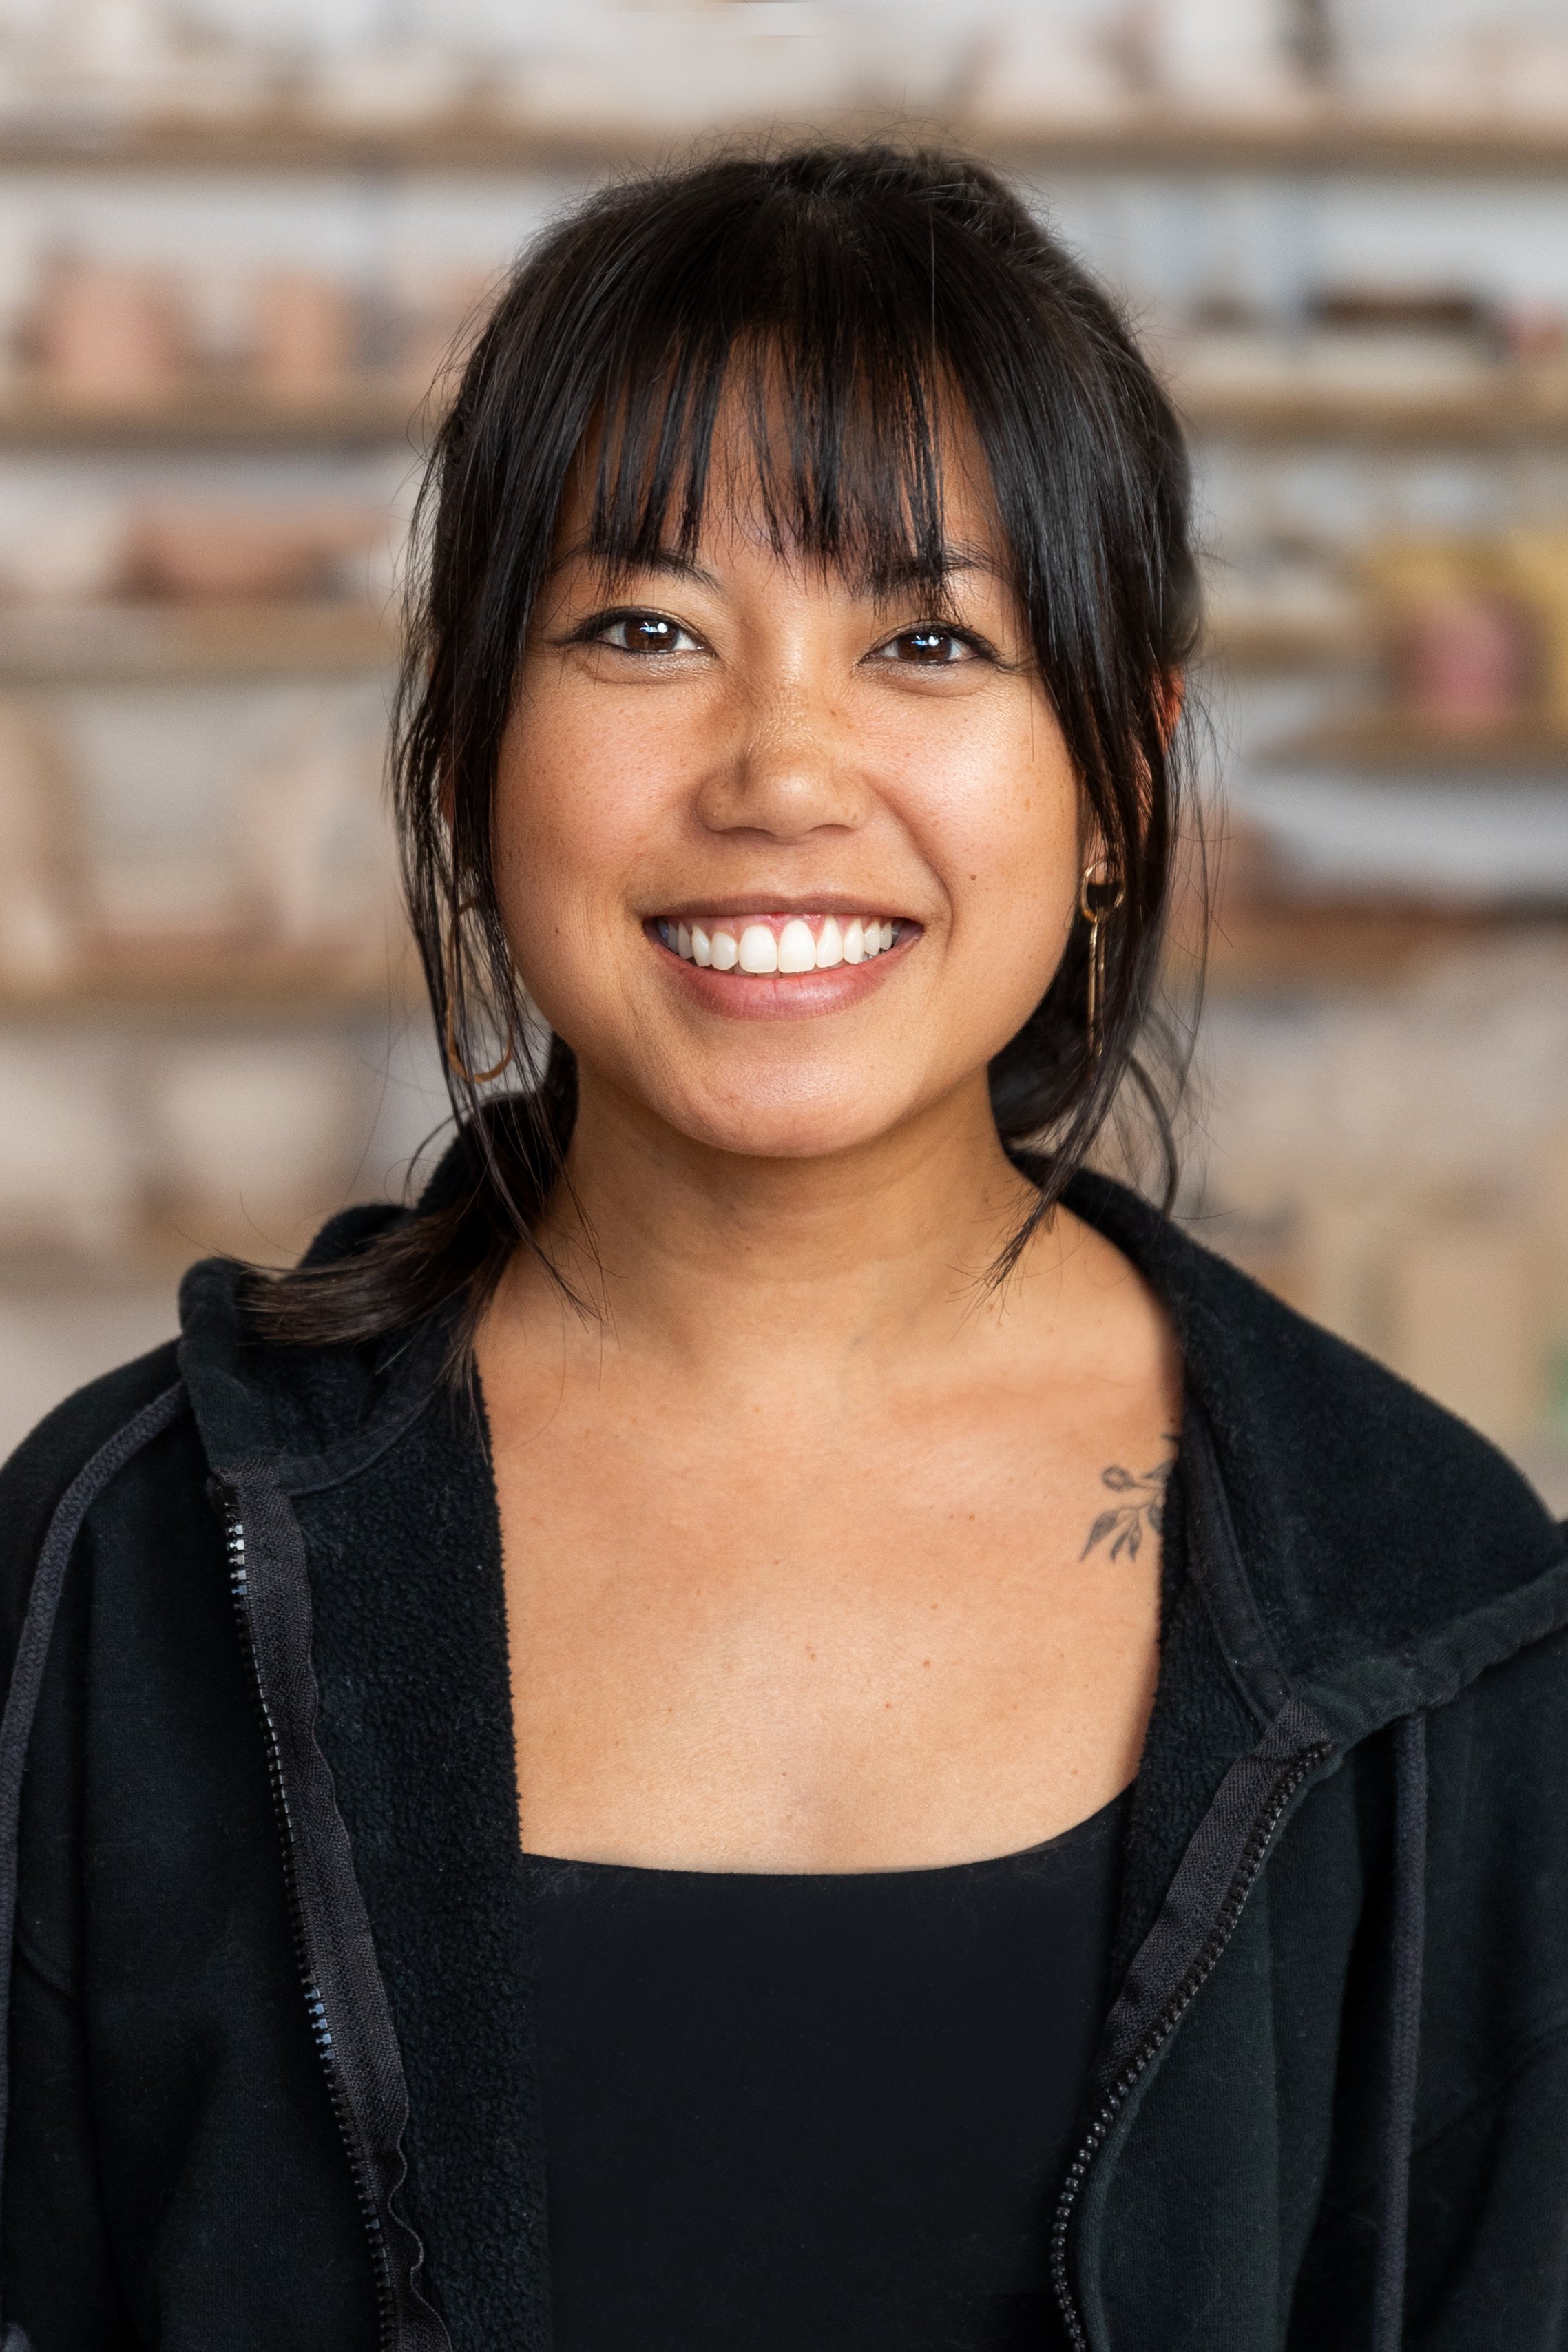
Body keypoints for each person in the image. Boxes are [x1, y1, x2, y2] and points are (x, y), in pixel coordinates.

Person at [3, 141, 1567, 2352]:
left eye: (930, 640)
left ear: (1122, 783)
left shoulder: (1428, 1599)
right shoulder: (127, 1563)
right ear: (468, 744)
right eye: (645, 630)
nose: (784, 770)